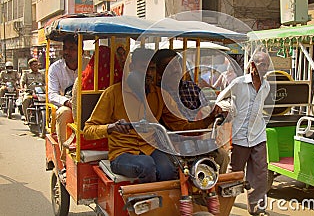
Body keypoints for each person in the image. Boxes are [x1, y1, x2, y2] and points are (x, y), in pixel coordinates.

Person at [83, 48, 221, 183]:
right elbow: (88, 130)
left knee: (171, 169)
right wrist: (111, 128)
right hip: (121, 153)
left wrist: (209, 119)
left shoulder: (161, 95)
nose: (148, 74)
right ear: (131, 68)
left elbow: (180, 126)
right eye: (143, 69)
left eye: (152, 69)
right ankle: (146, 203)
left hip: (150, 149)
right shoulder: (113, 93)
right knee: (146, 165)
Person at [153, 48, 229, 173]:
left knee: (222, 157)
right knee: (170, 169)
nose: (174, 70)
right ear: (159, 71)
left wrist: (216, 112)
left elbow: (207, 110)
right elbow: (176, 126)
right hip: (171, 143)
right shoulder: (157, 93)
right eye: (167, 67)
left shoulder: (191, 88)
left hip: (197, 140)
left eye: (176, 65)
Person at [215, 51, 271, 216]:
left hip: (258, 134)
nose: (265, 68)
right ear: (252, 65)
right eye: (262, 64)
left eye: (267, 65)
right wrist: (230, 108)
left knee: (261, 174)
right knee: (235, 174)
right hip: (240, 136)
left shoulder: (266, 86)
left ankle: (257, 209)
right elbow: (220, 100)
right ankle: (222, 208)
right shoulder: (238, 83)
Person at [48, 34, 88, 163]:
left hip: (88, 103)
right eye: (65, 48)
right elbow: (52, 94)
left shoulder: (89, 63)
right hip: (68, 105)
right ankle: (66, 161)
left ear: (80, 51)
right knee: (63, 113)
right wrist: (67, 102)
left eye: (71, 48)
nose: (67, 52)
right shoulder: (55, 68)